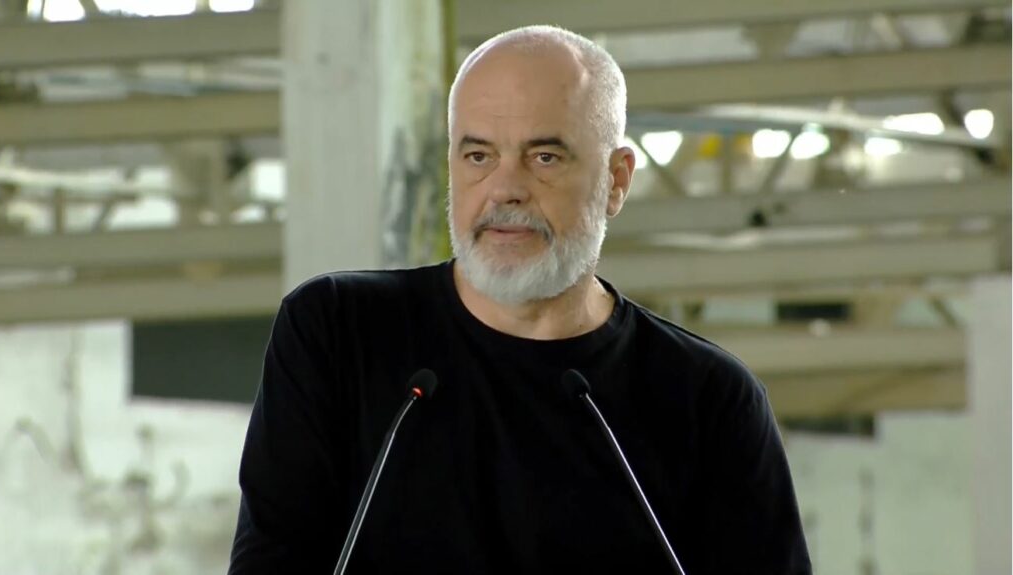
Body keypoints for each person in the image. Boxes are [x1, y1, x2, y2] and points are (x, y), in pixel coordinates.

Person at [229, 25, 811, 574]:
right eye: (479, 156)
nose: (505, 189)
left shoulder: (710, 400)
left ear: (616, 180)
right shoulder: (338, 331)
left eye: (544, 157)